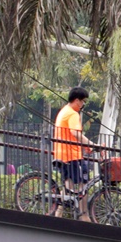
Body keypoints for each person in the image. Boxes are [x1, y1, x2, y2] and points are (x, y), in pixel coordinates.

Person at [52, 86, 94, 219]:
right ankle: (84, 215)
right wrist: (92, 145)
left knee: (68, 185)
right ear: (77, 100)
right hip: (72, 155)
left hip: (61, 154)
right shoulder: (73, 114)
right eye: (83, 101)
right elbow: (75, 133)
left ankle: (58, 213)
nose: (83, 105)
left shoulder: (64, 111)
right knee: (84, 183)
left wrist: (85, 146)